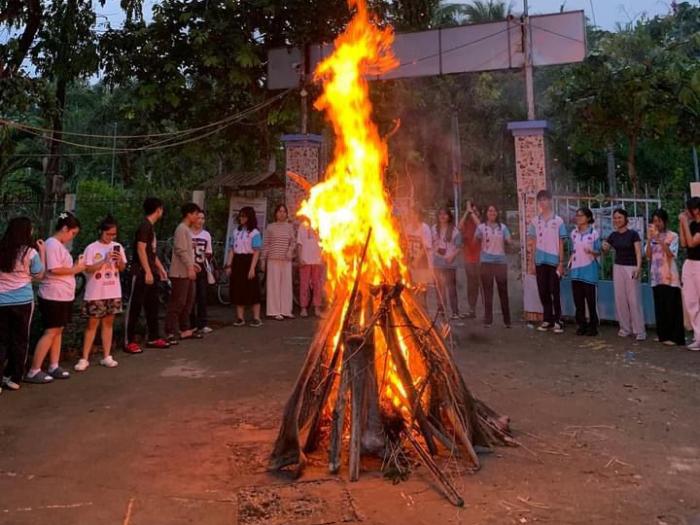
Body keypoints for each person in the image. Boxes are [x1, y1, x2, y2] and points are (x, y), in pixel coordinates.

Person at [25, 212, 85, 384]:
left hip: (62, 295)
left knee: (58, 330)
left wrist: (75, 267)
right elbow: (54, 269)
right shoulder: (52, 244)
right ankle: (34, 369)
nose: (71, 237)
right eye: (72, 233)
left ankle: (54, 365)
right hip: (53, 295)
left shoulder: (58, 245)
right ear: (65, 228)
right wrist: (76, 269)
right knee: (51, 331)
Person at [74, 215, 127, 371]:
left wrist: (118, 261)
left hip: (113, 289)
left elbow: (122, 268)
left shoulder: (118, 246)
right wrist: (104, 259)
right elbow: (88, 269)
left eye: (113, 234)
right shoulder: (92, 248)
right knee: (92, 324)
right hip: (96, 291)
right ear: (101, 232)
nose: (111, 237)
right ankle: (84, 357)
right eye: (108, 234)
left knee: (108, 323)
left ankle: (107, 355)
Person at [0, 218, 45, 392]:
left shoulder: (2, 249)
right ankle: (15, 378)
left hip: (1, 301)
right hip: (23, 302)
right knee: (20, 340)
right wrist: (42, 252)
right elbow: (39, 275)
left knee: (1, 341)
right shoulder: (30, 252)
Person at [124, 197, 171, 353]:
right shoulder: (144, 226)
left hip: (150, 271)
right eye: (162, 209)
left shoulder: (150, 227)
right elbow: (140, 248)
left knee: (152, 306)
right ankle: (128, 340)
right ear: (158, 209)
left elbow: (151, 252)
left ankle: (153, 337)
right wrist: (148, 271)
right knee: (135, 307)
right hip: (140, 272)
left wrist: (160, 268)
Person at [602, 208, 646, 341]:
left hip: (631, 267)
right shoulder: (613, 235)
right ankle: (625, 328)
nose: (616, 220)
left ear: (626, 219)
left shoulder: (633, 234)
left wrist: (638, 267)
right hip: (618, 267)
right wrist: (604, 247)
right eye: (615, 218)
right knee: (620, 298)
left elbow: (638, 252)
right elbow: (605, 250)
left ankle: (639, 330)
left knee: (633, 299)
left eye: (619, 217)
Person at [527, 190, 567, 333]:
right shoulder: (535, 221)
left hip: (554, 261)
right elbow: (533, 243)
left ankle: (558, 320)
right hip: (540, 261)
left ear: (550, 200)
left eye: (545, 199)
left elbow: (561, 242)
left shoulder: (558, 220)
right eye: (541, 200)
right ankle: (547, 319)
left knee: (554, 291)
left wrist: (561, 262)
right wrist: (532, 262)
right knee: (543, 290)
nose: (543, 202)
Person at [645, 209, 685, 347]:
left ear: (665, 221)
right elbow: (648, 255)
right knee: (660, 307)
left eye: (659, 221)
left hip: (670, 276)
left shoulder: (673, 236)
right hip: (656, 276)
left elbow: (671, 254)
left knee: (672, 307)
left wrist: (660, 240)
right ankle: (663, 335)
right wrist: (650, 239)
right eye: (654, 221)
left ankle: (676, 337)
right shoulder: (652, 236)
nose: (657, 224)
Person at [164, 202, 202, 343]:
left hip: (187, 271)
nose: (197, 218)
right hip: (180, 273)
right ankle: (170, 331)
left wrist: (193, 265)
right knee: (178, 302)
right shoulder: (181, 229)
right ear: (189, 214)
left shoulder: (186, 229)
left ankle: (185, 328)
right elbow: (181, 250)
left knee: (188, 301)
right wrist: (190, 267)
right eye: (196, 214)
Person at [474, 205, 512, 328]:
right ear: (486, 213)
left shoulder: (503, 227)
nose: (492, 213)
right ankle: (488, 320)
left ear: (497, 213)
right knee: (487, 292)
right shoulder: (482, 227)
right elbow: (475, 240)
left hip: (500, 262)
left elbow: (509, 240)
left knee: (503, 292)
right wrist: (476, 237)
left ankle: (507, 320)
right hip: (486, 262)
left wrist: (510, 242)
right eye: (490, 210)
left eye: (494, 211)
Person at [224, 206, 263, 327]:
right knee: (238, 288)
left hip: (249, 260)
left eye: (244, 216)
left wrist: (252, 268)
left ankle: (256, 317)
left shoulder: (255, 233)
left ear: (249, 217)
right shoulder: (236, 231)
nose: (241, 218)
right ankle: (240, 317)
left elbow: (257, 251)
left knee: (253, 289)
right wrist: (229, 265)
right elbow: (231, 249)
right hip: (238, 261)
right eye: (240, 216)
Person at [568, 207, 601, 336]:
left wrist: (592, 251)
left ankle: (593, 326)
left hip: (590, 270)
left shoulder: (594, 233)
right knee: (578, 300)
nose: (578, 218)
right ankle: (581, 324)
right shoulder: (573, 233)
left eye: (581, 216)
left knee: (591, 300)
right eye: (577, 215)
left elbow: (599, 251)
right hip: (576, 270)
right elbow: (573, 250)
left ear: (588, 218)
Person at [262, 204, 296, 321]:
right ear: (275, 213)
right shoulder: (270, 227)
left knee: (286, 285)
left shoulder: (289, 227)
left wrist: (289, 251)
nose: (281, 213)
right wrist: (263, 260)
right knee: (274, 285)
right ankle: (274, 311)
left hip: (286, 260)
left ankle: (286, 310)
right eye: (279, 211)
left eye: (283, 211)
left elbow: (293, 242)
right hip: (273, 259)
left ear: (286, 214)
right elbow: (266, 244)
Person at [432, 207, 463, 320]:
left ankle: (455, 312)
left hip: (450, 263)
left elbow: (459, 247)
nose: (442, 216)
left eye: (445, 214)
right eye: (440, 214)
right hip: (438, 263)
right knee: (439, 288)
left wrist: (452, 256)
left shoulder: (454, 231)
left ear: (449, 216)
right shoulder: (434, 229)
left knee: (451, 288)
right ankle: (441, 309)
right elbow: (432, 244)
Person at [679, 197, 700, 351]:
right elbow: (684, 243)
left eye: (689, 209)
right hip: (690, 263)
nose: (686, 212)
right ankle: (698, 336)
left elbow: (693, 242)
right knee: (691, 301)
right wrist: (682, 224)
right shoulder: (691, 225)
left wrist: (685, 223)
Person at [402, 207, 433, 307]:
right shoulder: (408, 227)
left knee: (422, 289)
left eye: (413, 214)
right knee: (412, 288)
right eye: (410, 214)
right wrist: (407, 258)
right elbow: (407, 244)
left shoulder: (425, 228)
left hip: (423, 262)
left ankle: (424, 312)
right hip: (411, 261)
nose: (411, 216)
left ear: (418, 215)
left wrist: (416, 260)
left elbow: (426, 247)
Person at [190, 210, 213, 334]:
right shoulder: (187, 233)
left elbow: (209, 252)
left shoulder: (206, 235)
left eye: (203, 218)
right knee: (190, 298)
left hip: (202, 269)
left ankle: (202, 323)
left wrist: (204, 261)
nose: (200, 221)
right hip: (189, 269)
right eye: (198, 218)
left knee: (202, 296)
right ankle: (190, 324)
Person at [297, 216, 324, 318]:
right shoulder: (302, 226)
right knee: (304, 285)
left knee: (317, 285)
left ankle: (317, 307)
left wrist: (322, 258)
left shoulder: (321, 225)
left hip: (317, 261)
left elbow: (325, 244)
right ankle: (303, 308)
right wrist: (300, 258)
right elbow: (299, 244)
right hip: (305, 261)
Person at [458, 201, 481, 318]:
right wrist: (467, 211)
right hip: (468, 259)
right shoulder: (466, 223)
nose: (473, 213)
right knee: (471, 285)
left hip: (479, 259)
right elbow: (459, 226)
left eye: (476, 211)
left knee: (480, 285)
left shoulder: (481, 224)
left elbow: (480, 225)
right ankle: (472, 309)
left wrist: (471, 212)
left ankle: (486, 311)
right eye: (472, 211)